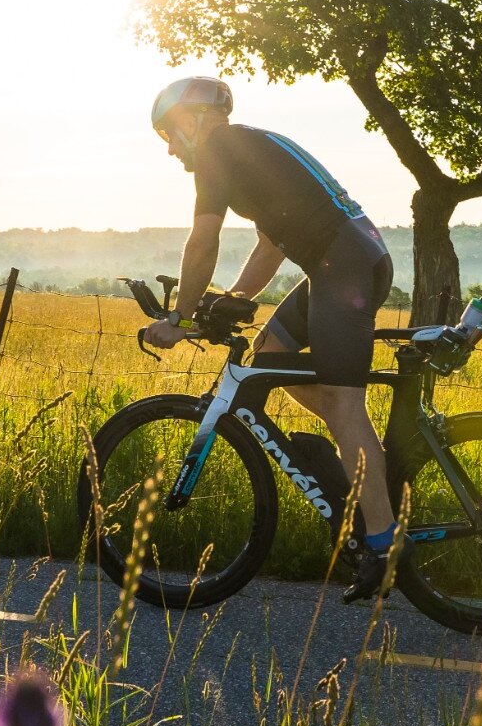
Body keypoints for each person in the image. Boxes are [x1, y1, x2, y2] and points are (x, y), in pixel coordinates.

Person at [142, 76, 397, 602]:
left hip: (343, 267)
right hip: (342, 262)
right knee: (271, 354)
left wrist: (181, 317)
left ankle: (383, 544)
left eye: (169, 132)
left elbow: (202, 240)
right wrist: (235, 295)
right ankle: (352, 464)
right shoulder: (247, 148)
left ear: (195, 120)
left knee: (346, 407)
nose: (168, 148)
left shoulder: (218, 151)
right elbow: (272, 244)